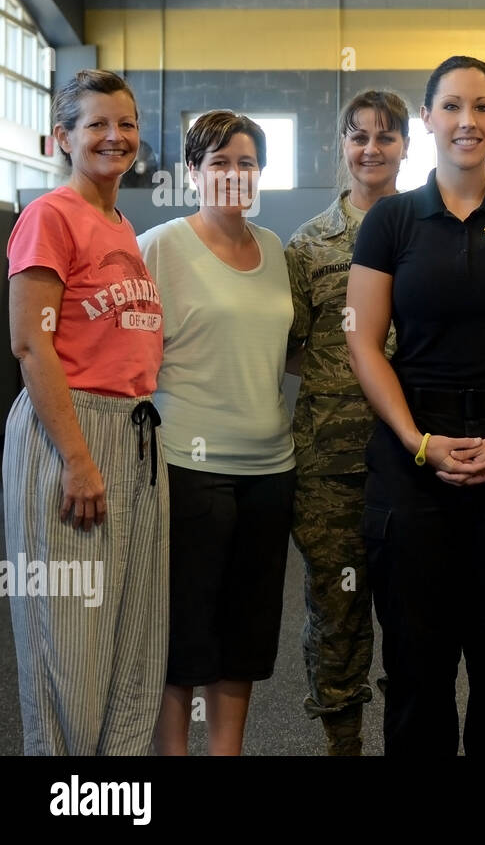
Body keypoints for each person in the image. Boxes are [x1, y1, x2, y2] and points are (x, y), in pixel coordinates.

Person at [347, 55, 485, 756]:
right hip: (412, 459)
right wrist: (418, 441)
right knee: (417, 663)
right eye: (450, 106)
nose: (466, 121)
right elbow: (364, 345)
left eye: (481, 107)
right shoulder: (391, 220)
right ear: (428, 119)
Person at [4, 69, 166, 755]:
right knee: (71, 646)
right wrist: (76, 458)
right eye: (96, 123)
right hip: (69, 431)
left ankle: (113, 794)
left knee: (133, 642)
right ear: (61, 137)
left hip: (132, 434)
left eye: (125, 123)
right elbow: (30, 343)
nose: (115, 136)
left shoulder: (121, 224)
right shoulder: (50, 216)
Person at [139, 110, 296, 756]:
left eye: (247, 162)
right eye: (220, 162)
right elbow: (130, 352)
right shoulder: (161, 245)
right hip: (188, 462)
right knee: (185, 633)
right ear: (193, 172)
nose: (235, 174)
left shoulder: (275, 250)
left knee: (246, 634)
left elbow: (281, 349)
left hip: (270, 466)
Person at [284, 90, 409, 755]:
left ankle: (406, 738)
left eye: (386, 137)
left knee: (414, 617)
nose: (371, 149)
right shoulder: (309, 245)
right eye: (358, 136)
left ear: (405, 148)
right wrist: (351, 379)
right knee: (336, 615)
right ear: (342, 145)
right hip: (330, 464)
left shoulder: (434, 230)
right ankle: (342, 746)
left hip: (416, 460)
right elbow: (293, 348)